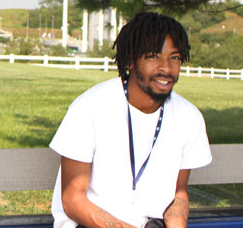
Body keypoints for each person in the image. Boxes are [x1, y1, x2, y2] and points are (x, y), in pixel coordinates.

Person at [50, 12, 212, 228]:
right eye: (154, 56)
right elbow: (72, 200)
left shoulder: (189, 117)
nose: (166, 68)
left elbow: (178, 194)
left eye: (174, 58)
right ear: (131, 60)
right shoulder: (89, 107)